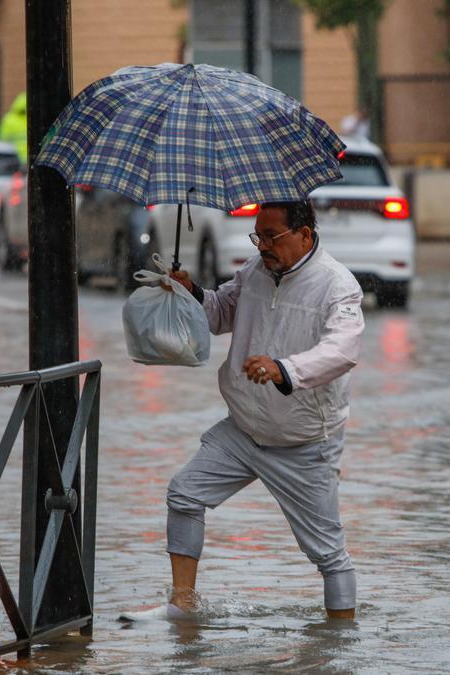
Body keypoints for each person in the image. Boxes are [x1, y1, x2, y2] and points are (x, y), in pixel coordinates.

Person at [137, 200, 365, 621]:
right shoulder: (255, 272)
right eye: (257, 235)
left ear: (305, 235)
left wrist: (284, 369)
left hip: (303, 441)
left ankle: (339, 643)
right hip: (242, 429)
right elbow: (222, 312)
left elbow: (343, 350)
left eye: (272, 236)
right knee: (185, 492)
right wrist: (191, 294)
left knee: (328, 553)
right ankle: (181, 607)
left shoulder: (337, 285)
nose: (262, 245)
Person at [0, 92, 29, 163]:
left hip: (12, 158)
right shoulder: (32, 119)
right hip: (29, 159)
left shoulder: (8, 119)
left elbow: (2, 140)